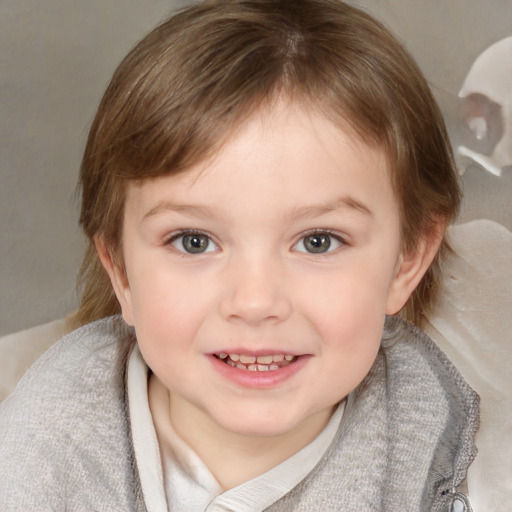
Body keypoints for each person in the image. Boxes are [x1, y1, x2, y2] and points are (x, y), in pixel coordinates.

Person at [0, 1, 479, 510]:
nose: (254, 302)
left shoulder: (450, 446)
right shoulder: (39, 459)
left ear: (407, 259)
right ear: (119, 270)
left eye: (318, 241)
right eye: (193, 241)